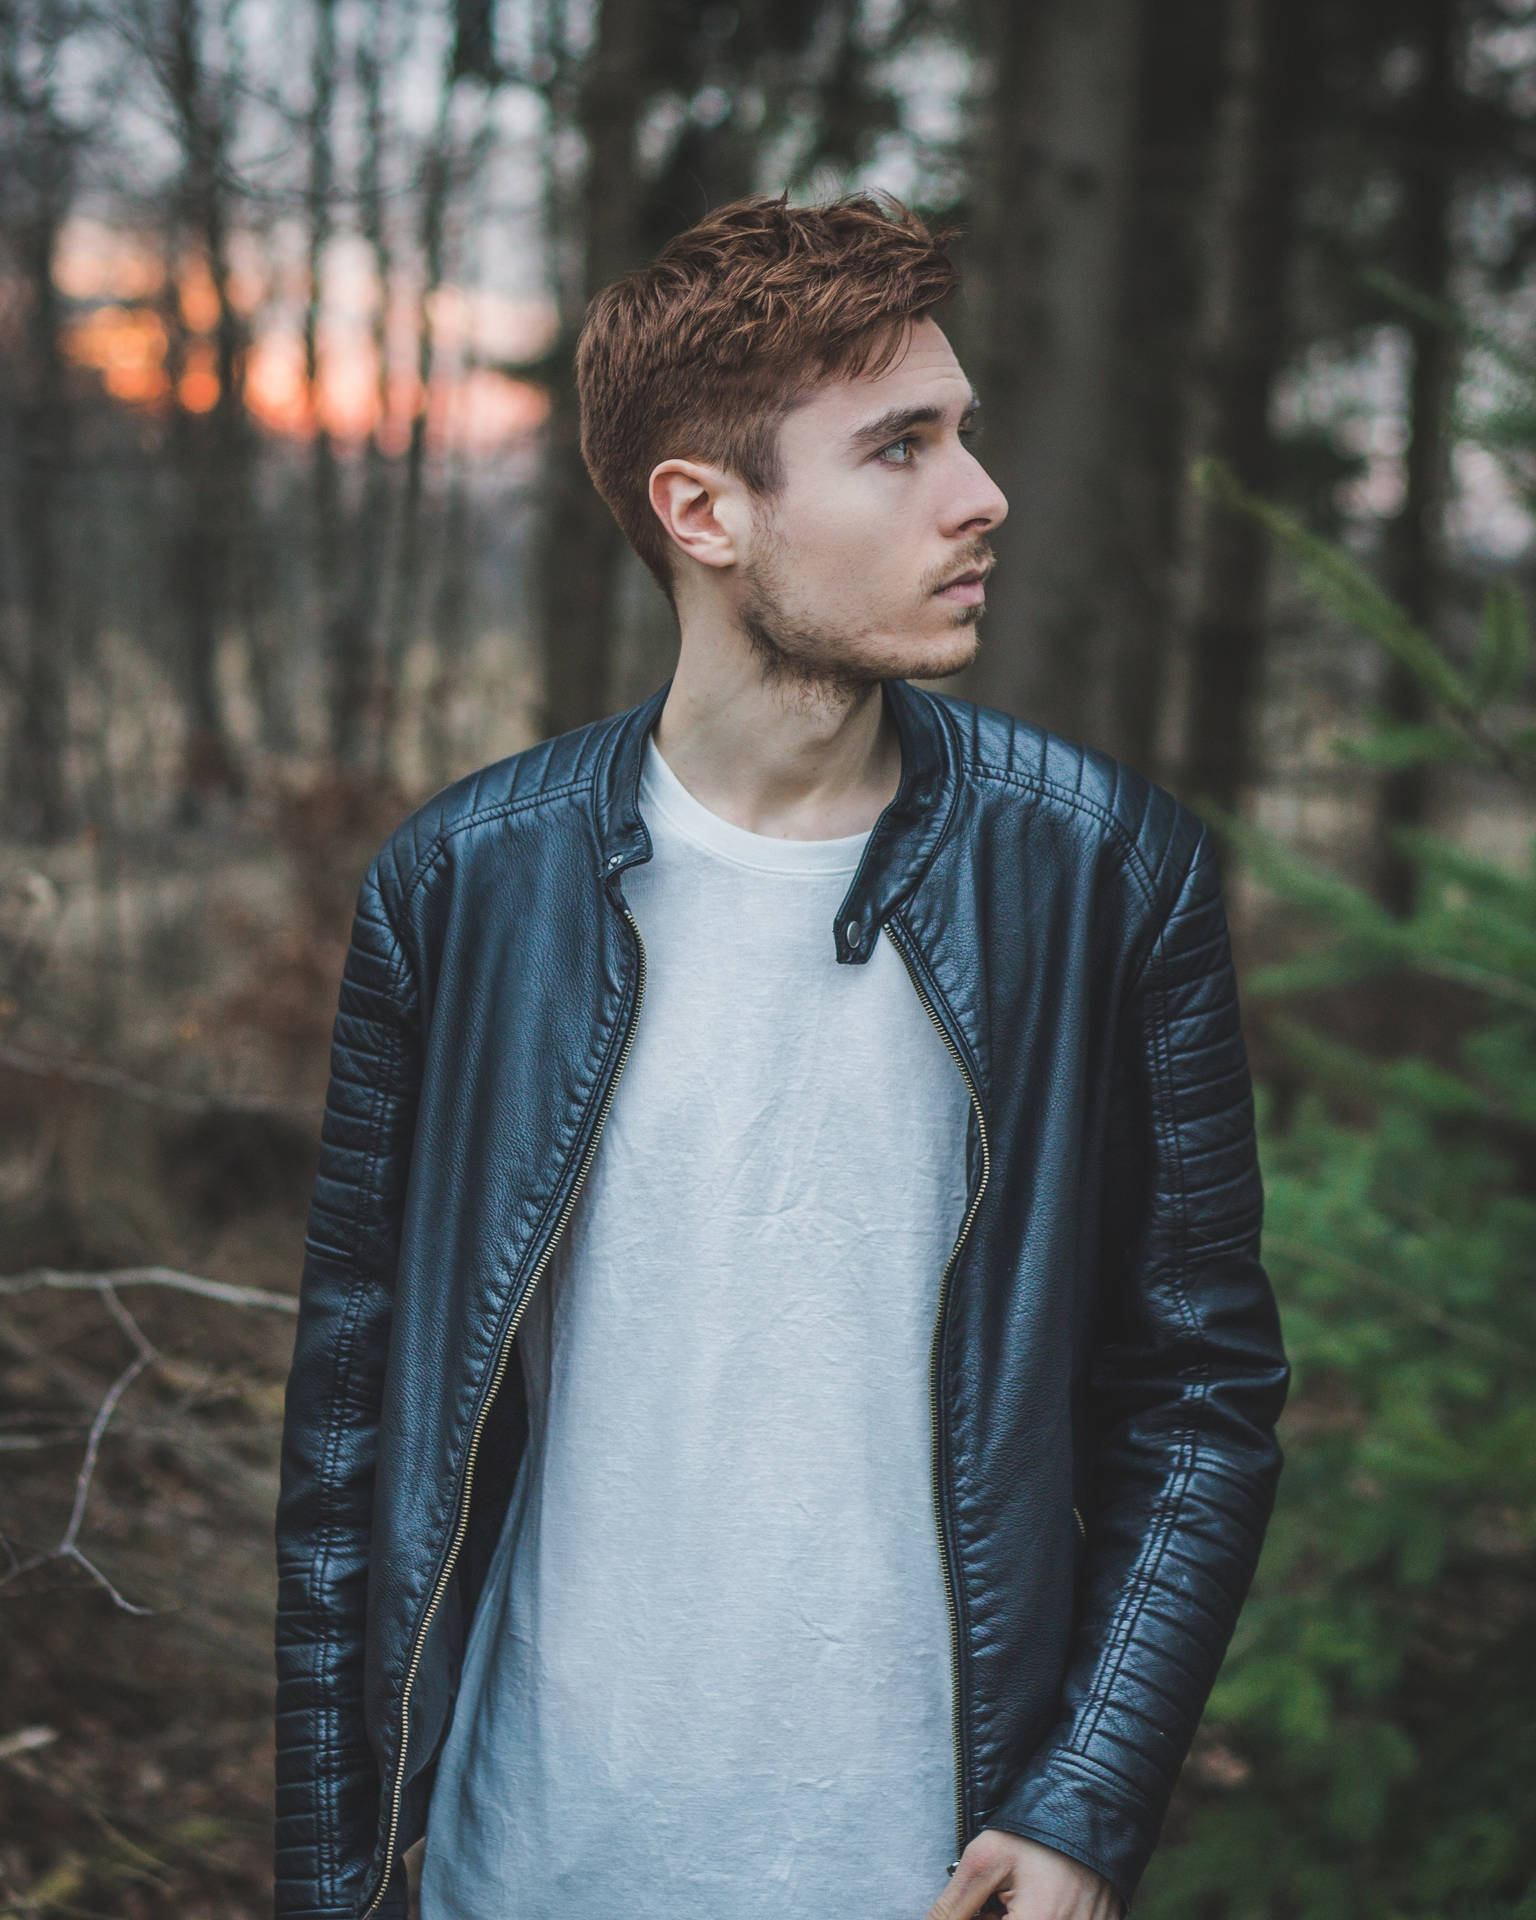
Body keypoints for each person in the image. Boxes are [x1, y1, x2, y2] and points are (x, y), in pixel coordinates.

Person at [274, 189, 1290, 1920]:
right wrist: (326, 1874)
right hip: (531, 1860)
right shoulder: (464, 887)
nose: (982, 496)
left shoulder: (1107, 873)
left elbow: (1197, 1396)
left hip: (934, 1869)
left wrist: (1086, 1802)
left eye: (964, 434)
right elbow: (352, 1430)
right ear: (705, 511)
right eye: (901, 448)